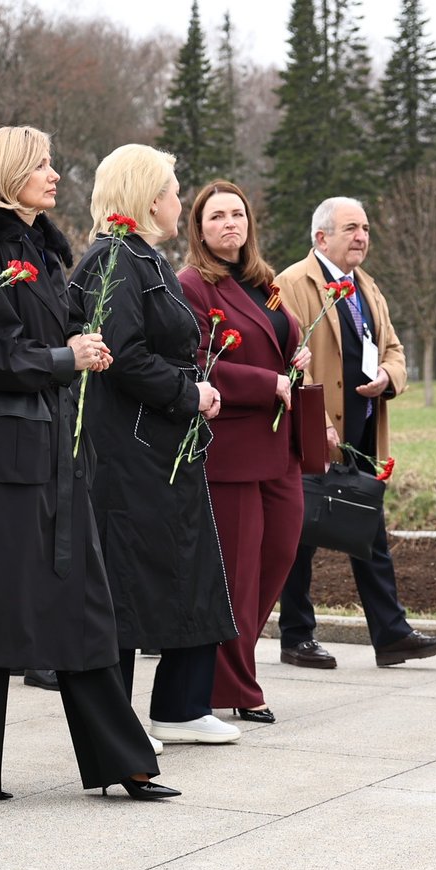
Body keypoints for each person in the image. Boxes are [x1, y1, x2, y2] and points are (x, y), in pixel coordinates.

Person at [0, 126, 173, 800]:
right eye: (39, 164)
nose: (54, 172)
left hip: (51, 446)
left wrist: (73, 341)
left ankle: (118, 760)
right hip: (2, 455)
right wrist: (71, 357)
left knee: (81, 601)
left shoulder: (41, 247)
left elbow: (40, 335)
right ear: (8, 175)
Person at [70, 146, 238, 745]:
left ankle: (182, 704)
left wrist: (193, 389)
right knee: (130, 578)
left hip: (164, 443)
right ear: (146, 198)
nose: (178, 199)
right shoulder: (112, 260)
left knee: (188, 569)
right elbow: (121, 354)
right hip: (130, 448)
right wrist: (187, 392)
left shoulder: (147, 259)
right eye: (171, 188)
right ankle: (118, 721)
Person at [274, 199, 436, 668]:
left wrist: (389, 378)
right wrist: (315, 421)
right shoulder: (291, 284)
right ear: (321, 238)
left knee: (368, 528)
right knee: (300, 536)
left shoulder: (367, 287)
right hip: (318, 433)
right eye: (351, 228)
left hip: (364, 433)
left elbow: (392, 348)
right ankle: (296, 636)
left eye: (367, 229)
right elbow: (280, 359)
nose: (362, 237)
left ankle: (390, 633)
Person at [176, 181, 310, 724]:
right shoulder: (192, 285)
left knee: (278, 555)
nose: (230, 224)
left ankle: (226, 667)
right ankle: (235, 686)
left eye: (238, 214)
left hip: (280, 446)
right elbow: (197, 362)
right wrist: (267, 382)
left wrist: (294, 355)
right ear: (200, 229)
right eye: (217, 217)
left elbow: (277, 337)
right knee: (235, 570)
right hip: (230, 446)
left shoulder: (265, 282)